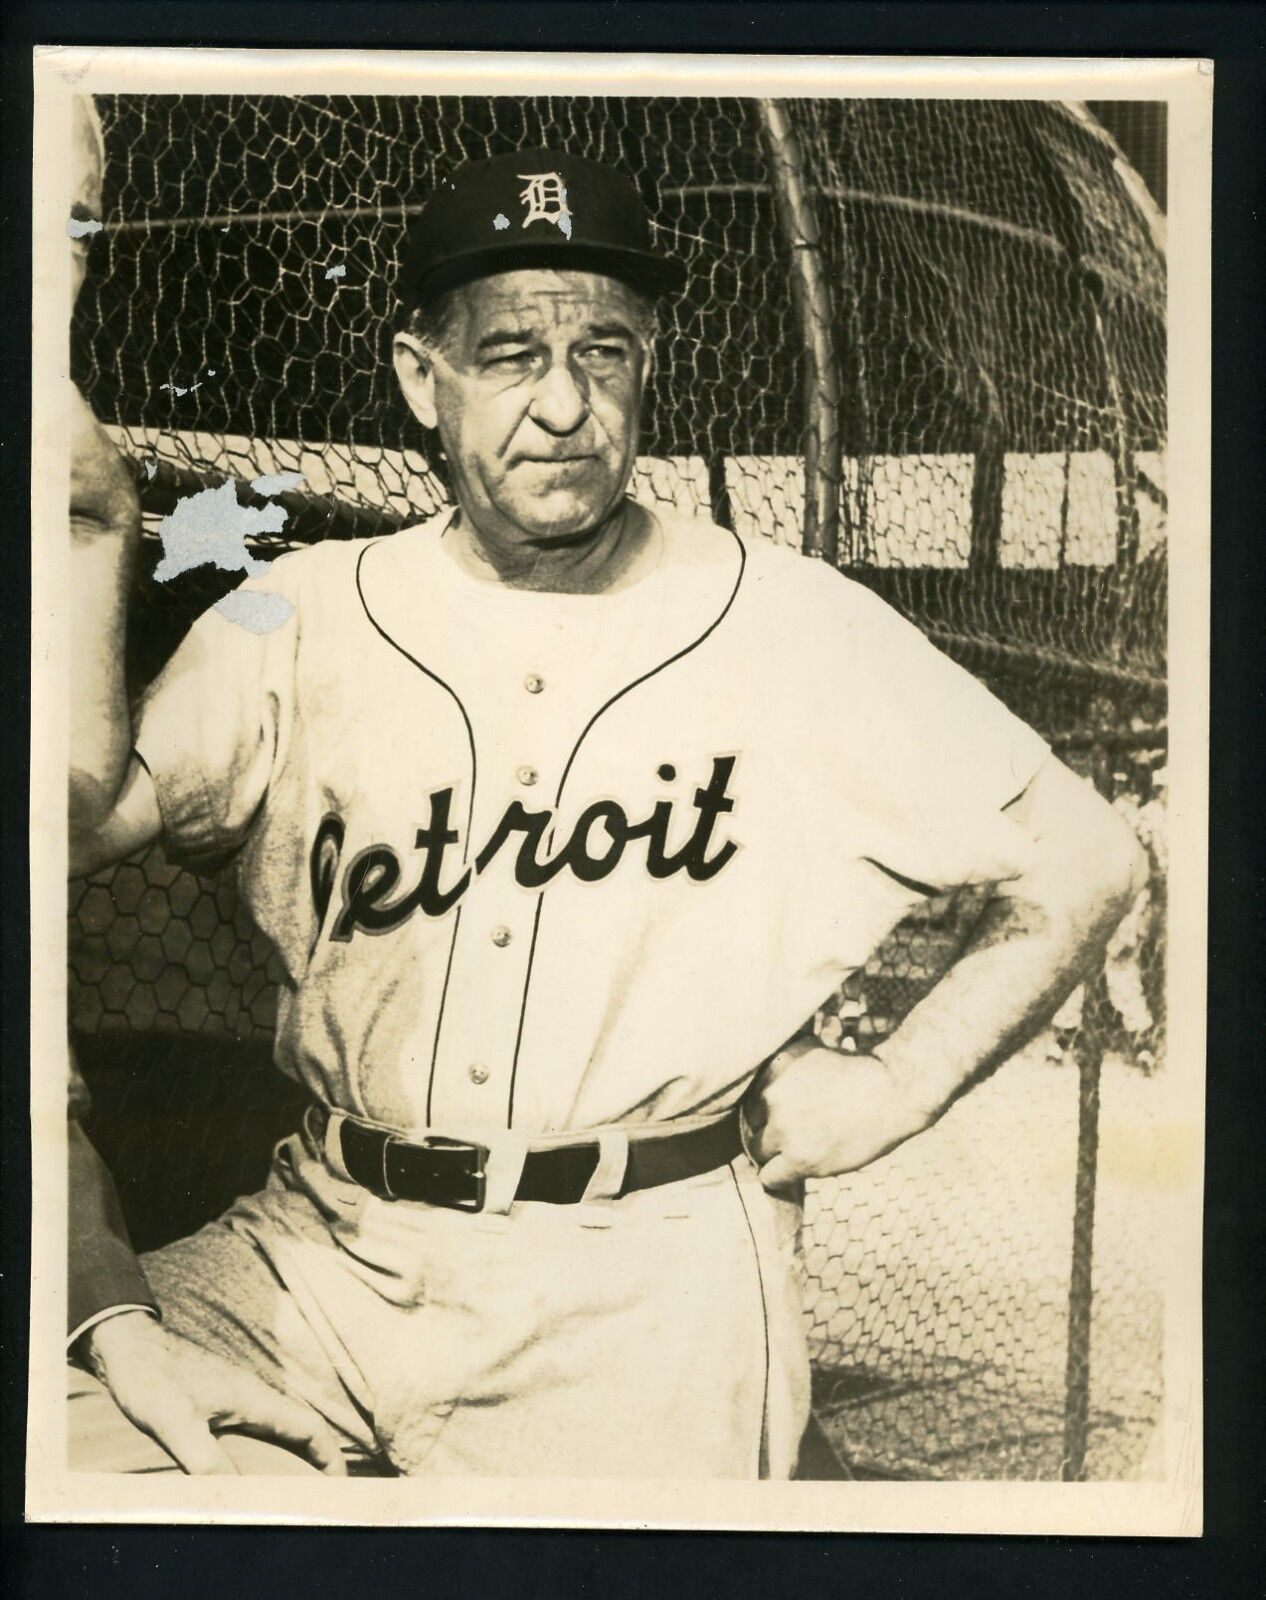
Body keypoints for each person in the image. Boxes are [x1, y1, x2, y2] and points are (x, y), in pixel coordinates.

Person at [66, 149, 1145, 1478]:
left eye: (606, 352)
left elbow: (1087, 856)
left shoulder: (795, 624)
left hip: (642, 1281)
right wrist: (88, 529)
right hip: (320, 1249)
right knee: (66, 1442)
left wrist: (901, 1082)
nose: (563, 404)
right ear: (423, 378)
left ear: (649, 364)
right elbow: (70, 825)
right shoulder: (298, 611)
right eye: (511, 353)